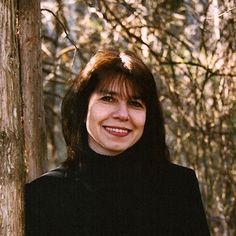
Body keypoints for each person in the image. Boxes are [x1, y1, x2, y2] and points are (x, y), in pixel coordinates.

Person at [25, 49, 210, 235]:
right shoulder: (44, 195)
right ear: (82, 108)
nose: (123, 114)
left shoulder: (177, 188)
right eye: (108, 98)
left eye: (135, 103)